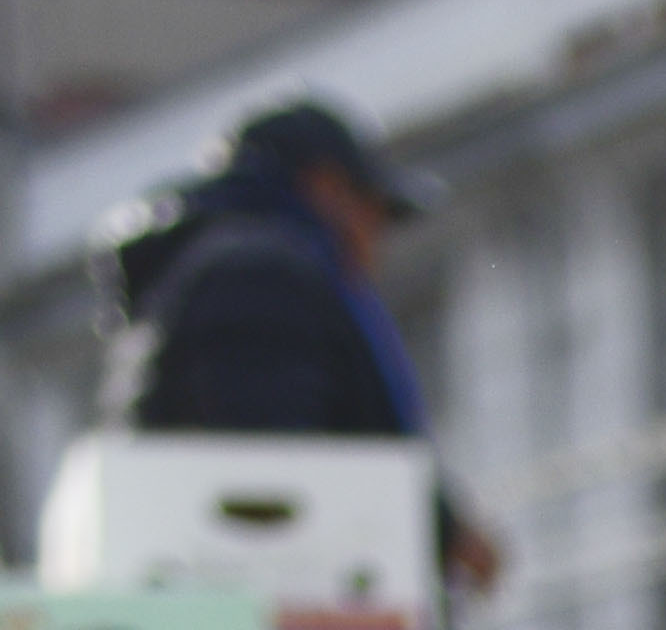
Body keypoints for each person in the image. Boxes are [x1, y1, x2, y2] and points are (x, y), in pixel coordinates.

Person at [100, 96, 505, 599]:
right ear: (327, 187)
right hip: (267, 615)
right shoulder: (257, 275)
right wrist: (439, 532)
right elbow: (281, 480)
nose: (375, 246)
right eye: (374, 214)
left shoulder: (218, 268)